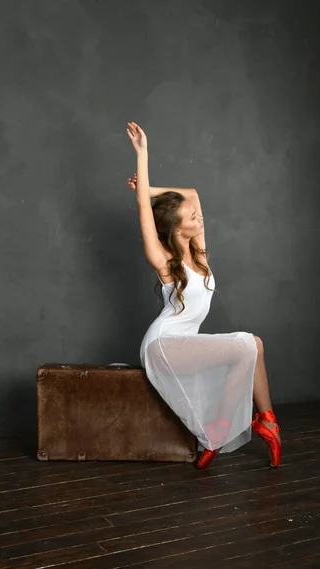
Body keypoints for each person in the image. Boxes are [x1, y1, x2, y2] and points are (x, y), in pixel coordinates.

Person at [126, 121, 281, 469]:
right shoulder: (165, 262)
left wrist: (150, 190)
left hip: (185, 344)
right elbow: (143, 215)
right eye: (193, 218)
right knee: (247, 344)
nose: (200, 217)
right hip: (163, 346)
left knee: (253, 345)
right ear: (177, 229)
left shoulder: (199, 252)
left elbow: (192, 193)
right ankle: (224, 429)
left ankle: (262, 421)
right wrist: (142, 154)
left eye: (198, 216)